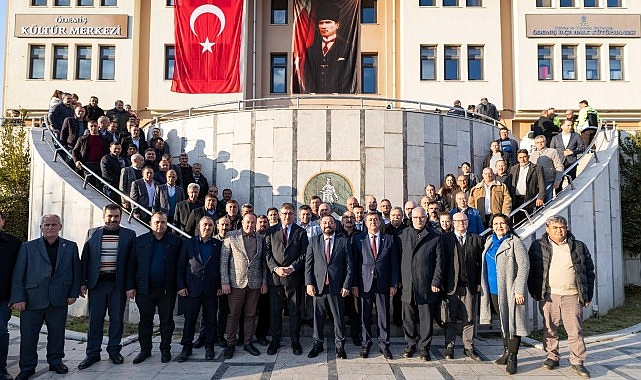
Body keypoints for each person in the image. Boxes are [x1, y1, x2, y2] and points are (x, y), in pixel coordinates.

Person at [10, 214, 80, 380]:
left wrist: (73, 293)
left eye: (54, 224)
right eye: (47, 225)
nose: (50, 228)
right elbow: (18, 274)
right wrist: (18, 297)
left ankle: (56, 361)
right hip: (32, 299)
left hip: (59, 299)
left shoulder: (69, 247)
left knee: (57, 334)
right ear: (41, 227)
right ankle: (27, 367)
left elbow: (76, 270)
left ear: (60, 227)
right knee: (28, 336)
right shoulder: (28, 247)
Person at [527, 215, 594, 378]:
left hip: (572, 295)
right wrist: (534, 291)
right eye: (555, 228)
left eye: (562, 227)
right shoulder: (538, 246)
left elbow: (589, 271)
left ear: (567, 228)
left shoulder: (578, 246)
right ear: (547, 229)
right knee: (550, 329)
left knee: (575, 331)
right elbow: (532, 271)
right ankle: (552, 357)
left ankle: (577, 362)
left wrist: (587, 294)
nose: (559, 231)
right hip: (549, 295)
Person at [78, 204, 136, 370]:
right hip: (97, 284)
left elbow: (132, 264)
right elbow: (85, 259)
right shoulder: (93, 233)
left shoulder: (129, 235)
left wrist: (130, 286)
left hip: (118, 285)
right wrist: (83, 283)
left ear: (121, 217)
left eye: (116, 216)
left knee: (117, 320)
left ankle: (114, 351)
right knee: (95, 320)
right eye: (109, 216)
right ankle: (92, 353)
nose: (113, 219)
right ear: (104, 216)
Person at [127, 212, 182, 364]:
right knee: (145, 321)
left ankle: (165, 350)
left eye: (163, 222)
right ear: (151, 223)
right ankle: (145, 350)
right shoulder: (140, 241)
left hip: (167, 290)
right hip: (144, 290)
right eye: (157, 222)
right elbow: (131, 265)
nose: (160, 225)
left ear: (167, 224)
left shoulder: (176, 241)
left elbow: (180, 266)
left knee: (166, 321)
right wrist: (130, 286)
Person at [479, 213, 529, 375]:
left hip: (511, 291)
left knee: (513, 322)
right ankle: (506, 352)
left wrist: (519, 289)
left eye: (502, 223)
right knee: (503, 321)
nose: (499, 226)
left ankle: (513, 357)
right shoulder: (489, 242)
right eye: (495, 224)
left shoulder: (515, 242)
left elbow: (524, 266)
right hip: (494, 291)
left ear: (508, 225)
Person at [351, 212, 399, 359]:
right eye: (370, 220)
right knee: (365, 315)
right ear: (365, 223)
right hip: (364, 283)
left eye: (376, 219)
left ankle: (384, 344)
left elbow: (394, 264)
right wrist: (354, 285)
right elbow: (353, 264)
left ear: (380, 222)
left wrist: (394, 284)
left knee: (383, 315)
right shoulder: (358, 239)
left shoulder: (389, 239)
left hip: (383, 283)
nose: (373, 222)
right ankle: (366, 343)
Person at [220, 213, 268, 359]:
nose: (250, 225)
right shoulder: (231, 236)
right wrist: (225, 282)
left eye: (253, 223)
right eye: (247, 222)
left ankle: (248, 343)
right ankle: (231, 344)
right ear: (242, 222)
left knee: (250, 314)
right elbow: (223, 262)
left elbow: (263, 264)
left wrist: (264, 282)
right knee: (234, 315)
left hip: (254, 283)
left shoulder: (260, 239)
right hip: (235, 283)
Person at [399, 207, 444, 361]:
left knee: (426, 319)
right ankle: (411, 344)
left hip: (426, 284)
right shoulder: (404, 235)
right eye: (416, 218)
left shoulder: (435, 236)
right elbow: (398, 258)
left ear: (426, 218)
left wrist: (436, 281)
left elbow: (439, 262)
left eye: (422, 217)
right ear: (411, 218)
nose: (419, 220)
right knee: (408, 318)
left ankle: (424, 347)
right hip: (407, 284)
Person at [305, 215, 353, 359]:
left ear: (335, 225)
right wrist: (309, 283)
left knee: (338, 318)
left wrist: (346, 285)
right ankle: (317, 345)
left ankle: (340, 346)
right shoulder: (314, 241)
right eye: (325, 222)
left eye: (330, 222)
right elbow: (308, 264)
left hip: (336, 287)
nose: (328, 225)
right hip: (318, 288)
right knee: (318, 318)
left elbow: (349, 267)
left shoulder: (343, 242)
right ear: (320, 225)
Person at [265, 203, 309, 356]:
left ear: (294, 214)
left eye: (290, 213)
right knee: (275, 311)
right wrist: (276, 268)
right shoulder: (270, 231)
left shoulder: (301, 232)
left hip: (294, 279)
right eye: (284, 213)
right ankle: (275, 341)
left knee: (294, 312)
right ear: (279, 214)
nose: (287, 216)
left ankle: (295, 341)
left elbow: (304, 254)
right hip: (276, 280)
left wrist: (292, 267)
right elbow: (267, 253)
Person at [177, 216, 222, 362]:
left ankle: (210, 347)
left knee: (210, 320)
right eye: (204, 225)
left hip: (211, 289)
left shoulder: (218, 244)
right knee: (190, 320)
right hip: (192, 288)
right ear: (199, 226)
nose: (207, 228)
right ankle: (186, 348)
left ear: (213, 227)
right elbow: (181, 266)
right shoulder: (188, 243)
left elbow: (221, 267)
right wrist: (181, 286)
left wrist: (220, 285)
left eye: (210, 225)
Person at [441, 212, 483, 361]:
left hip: (469, 286)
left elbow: (480, 265)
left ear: (468, 222)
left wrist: (478, 282)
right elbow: (441, 263)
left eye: (464, 220)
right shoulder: (445, 239)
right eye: (458, 221)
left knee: (469, 318)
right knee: (450, 318)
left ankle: (468, 347)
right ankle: (449, 345)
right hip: (451, 286)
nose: (461, 223)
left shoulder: (476, 239)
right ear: (452, 222)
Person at [303, 5, 354, 94]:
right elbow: (307, 74)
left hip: (339, 99)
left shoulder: (346, 48)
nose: (323, 26)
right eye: (321, 23)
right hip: (314, 100)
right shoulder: (311, 50)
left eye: (328, 22)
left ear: (337, 25)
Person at [0, 213, 21, 380]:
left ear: (3, 221)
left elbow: (20, 272)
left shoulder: (14, 243)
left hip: (2, 298)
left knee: (1, 333)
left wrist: (16, 296)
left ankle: (1, 369)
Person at [509, 149, 545, 222]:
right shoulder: (513, 168)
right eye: (520, 157)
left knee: (528, 221)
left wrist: (541, 197)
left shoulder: (537, 168)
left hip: (529, 198)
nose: (523, 159)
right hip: (515, 199)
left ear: (528, 157)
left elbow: (542, 183)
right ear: (517, 158)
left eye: (524, 157)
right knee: (517, 222)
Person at [72, 120, 110, 187]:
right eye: (91, 126)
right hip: (87, 165)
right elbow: (75, 150)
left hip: (100, 165)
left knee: (100, 186)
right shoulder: (82, 139)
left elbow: (107, 151)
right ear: (88, 127)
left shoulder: (105, 139)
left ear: (98, 126)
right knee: (89, 185)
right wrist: (76, 161)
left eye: (95, 126)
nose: (93, 128)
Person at [530, 135, 564, 202]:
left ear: (545, 142)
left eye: (542, 142)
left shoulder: (552, 151)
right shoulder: (532, 155)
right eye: (538, 142)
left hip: (548, 180)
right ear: (535, 144)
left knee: (548, 202)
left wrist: (557, 181)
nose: (540, 144)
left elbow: (559, 166)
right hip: (536, 183)